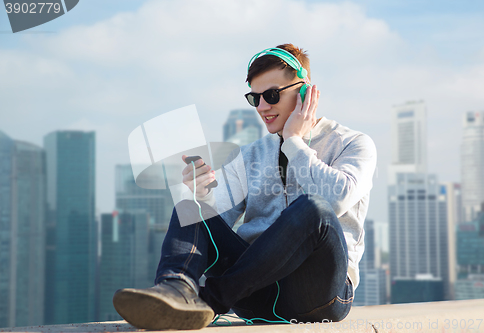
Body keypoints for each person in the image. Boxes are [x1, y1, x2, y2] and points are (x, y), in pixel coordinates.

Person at [113, 43, 377, 330]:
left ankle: (209, 302)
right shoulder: (248, 156)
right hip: (255, 294)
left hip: (317, 296)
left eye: (272, 95)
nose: (263, 107)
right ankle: (175, 290)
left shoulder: (353, 143)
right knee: (192, 205)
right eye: (255, 98)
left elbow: (336, 199)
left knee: (314, 208)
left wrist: (294, 142)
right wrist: (200, 194)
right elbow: (215, 227)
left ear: (305, 92)